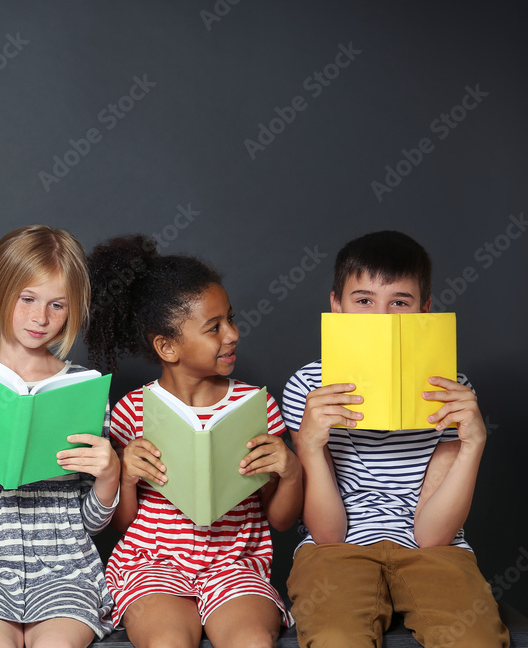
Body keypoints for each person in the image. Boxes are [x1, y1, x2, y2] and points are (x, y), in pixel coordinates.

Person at [282, 230, 509, 647]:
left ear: (424, 311)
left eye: (399, 303)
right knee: (336, 638)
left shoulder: (453, 389)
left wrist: (473, 444)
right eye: (364, 300)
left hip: (434, 548)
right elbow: (328, 533)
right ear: (337, 306)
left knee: (474, 640)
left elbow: (432, 536)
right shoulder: (307, 388)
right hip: (335, 549)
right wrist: (309, 446)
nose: (381, 318)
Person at [86, 234, 301, 648]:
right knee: (167, 642)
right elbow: (124, 522)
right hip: (152, 565)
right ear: (167, 346)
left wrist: (289, 472)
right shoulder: (133, 411)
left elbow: (280, 520)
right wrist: (125, 476)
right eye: (214, 328)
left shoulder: (257, 407)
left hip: (235, 564)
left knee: (253, 641)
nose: (232, 334)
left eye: (231, 320)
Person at [0, 225, 120, 648]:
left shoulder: (83, 391)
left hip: (67, 572)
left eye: (57, 305)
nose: (40, 318)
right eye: (27, 298)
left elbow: (90, 521)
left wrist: (109, 475)